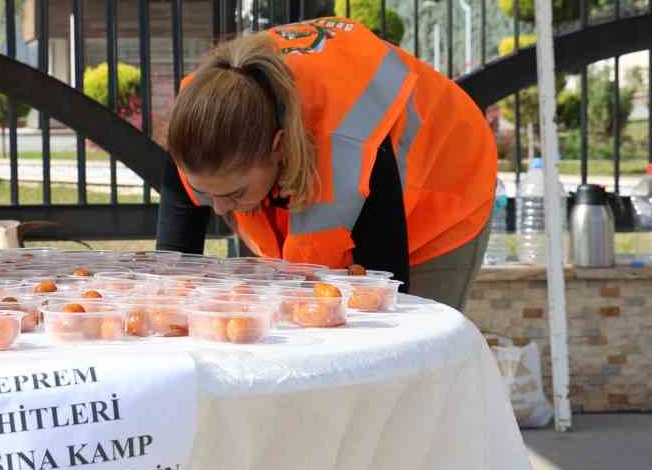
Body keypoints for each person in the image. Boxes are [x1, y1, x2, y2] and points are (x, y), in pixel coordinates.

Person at [156, 16, 497, 310]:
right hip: (331, 161)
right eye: (207, 193)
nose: (218, 209)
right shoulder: (198, 126)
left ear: (278, 147)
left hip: (447, 180)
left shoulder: (351, 143)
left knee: (415, 344)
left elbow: (385, 300)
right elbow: (171, 280)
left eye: (234, 194)